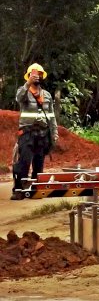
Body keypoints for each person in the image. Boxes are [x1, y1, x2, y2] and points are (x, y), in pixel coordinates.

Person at [11, 63, 58, 200]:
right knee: (24, 162)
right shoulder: (24, 91)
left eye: (39, 75)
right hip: (27, 133)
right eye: (33, 74)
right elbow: (18, 98)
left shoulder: (47, 95)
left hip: (43, 134)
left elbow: (51, 115)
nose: (36, 77)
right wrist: (27, 84)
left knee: (39, 163)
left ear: (42, 77)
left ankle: (36, 189)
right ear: (29, 76)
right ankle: (19, 190)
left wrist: (54, 132)